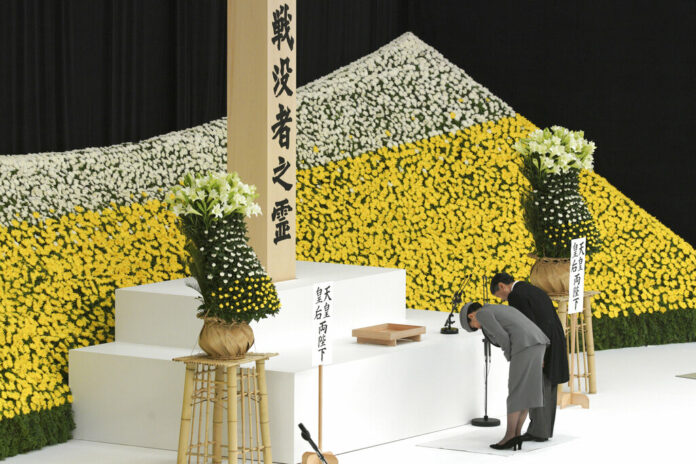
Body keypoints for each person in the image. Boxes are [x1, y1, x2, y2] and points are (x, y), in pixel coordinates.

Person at [490, 272, 569, 442]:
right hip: (554, 338)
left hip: (541, 342)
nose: (503, 300)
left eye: (500, 296)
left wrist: (538, 355)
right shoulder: (530, 289)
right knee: (548, 387)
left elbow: (528, 326)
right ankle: (542, 430)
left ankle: (538, 432)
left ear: (502, 286)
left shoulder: (516, 296)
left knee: (538, 387)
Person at [461, 302, 549, 451]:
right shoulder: (498, 307)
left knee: (516, 392)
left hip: (523, 346)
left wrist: (510, 355)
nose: (479, 327)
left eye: (474, 326)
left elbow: (501, 335)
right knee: (528, 392)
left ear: (471, 316)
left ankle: (509, 436)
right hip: (538, 342)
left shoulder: (482, 314)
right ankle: (516, 435)